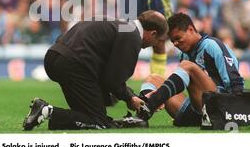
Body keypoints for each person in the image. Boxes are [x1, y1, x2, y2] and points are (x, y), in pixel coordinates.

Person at [23, 10, 168, 131]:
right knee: (99, 122)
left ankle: (53, 116)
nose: (155, 44)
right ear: (153, 33)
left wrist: (119, 96)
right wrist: (130, 97)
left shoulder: (120, 24)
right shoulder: (133, 36)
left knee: (86, 115)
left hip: (55, 56)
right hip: (74, 65)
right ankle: (47, 110)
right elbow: (113, 79)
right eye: (159, 40)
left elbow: (105, 74)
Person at [138, 12, 244, 126]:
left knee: (188, 66)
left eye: (178, 38)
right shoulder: (183, 55)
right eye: (173, 41)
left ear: (191, 30)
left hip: (220, 110)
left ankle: (152, 103)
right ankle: (140, 117)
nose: (175, 43)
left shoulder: (211, 45)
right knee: (153, 78)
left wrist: (236, 113)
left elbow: (235, 80)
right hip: (196, 110)